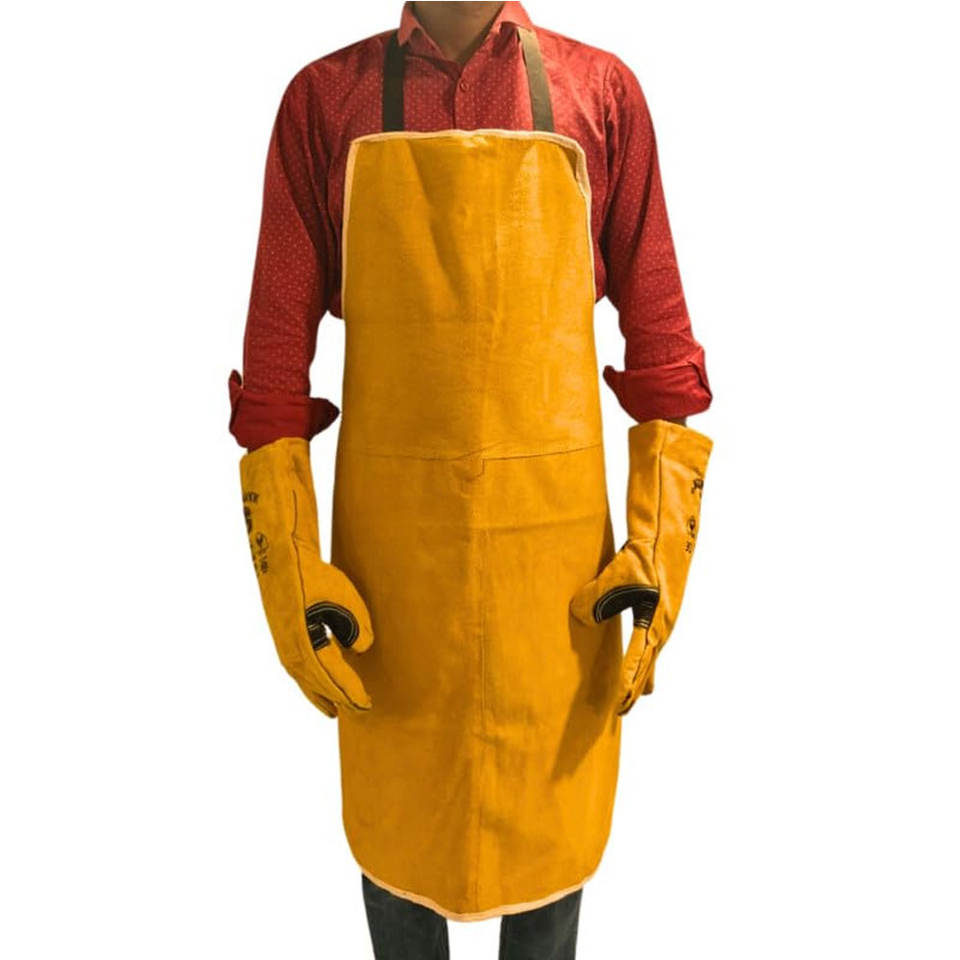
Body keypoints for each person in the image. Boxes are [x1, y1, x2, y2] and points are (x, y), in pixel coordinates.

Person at [228, 3, 713, 957]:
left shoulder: (601, 94)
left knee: (549, 870)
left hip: (557, 588)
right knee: (399, 860)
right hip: (389, 591)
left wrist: (660, 549)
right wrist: (287, 565)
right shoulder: (323, 103)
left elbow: (662, 351)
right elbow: (275, 372)